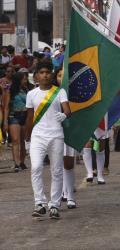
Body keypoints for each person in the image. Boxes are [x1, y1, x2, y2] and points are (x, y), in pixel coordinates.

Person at [25, 61, 71, 219]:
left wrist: (64, 115)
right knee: (36, 167)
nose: (45, 75)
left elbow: (67, 109)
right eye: (42, 72)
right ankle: (39, 203)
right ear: (36, 75)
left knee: (56, 170)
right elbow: (30, 117)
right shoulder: (31, 94)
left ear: (51, 75)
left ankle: (54, 205)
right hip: (38, 136)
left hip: (56, 135)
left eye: (47, 72)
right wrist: (27, 139)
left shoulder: (59, 92)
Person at [53, 67, 77, 209]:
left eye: (64, 75)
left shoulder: (73, 92)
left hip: (69, 128)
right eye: (59, 75)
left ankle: (71, 196)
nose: (61, 78)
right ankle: (61, 193)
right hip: (54, 130)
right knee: (57, 164)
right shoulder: (52, 93)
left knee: (68, 163)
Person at [3, 70, 30, 171]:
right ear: (18, 80)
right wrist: (5, 121)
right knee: (15, 140)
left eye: (26, 79)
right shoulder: (10, 90)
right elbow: (6, 107)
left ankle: (22, 162)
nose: (25, 80)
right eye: (23, 79)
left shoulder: (27, 90)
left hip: (25, 116)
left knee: (23, 141)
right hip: (13, 116)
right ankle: (16, 163)